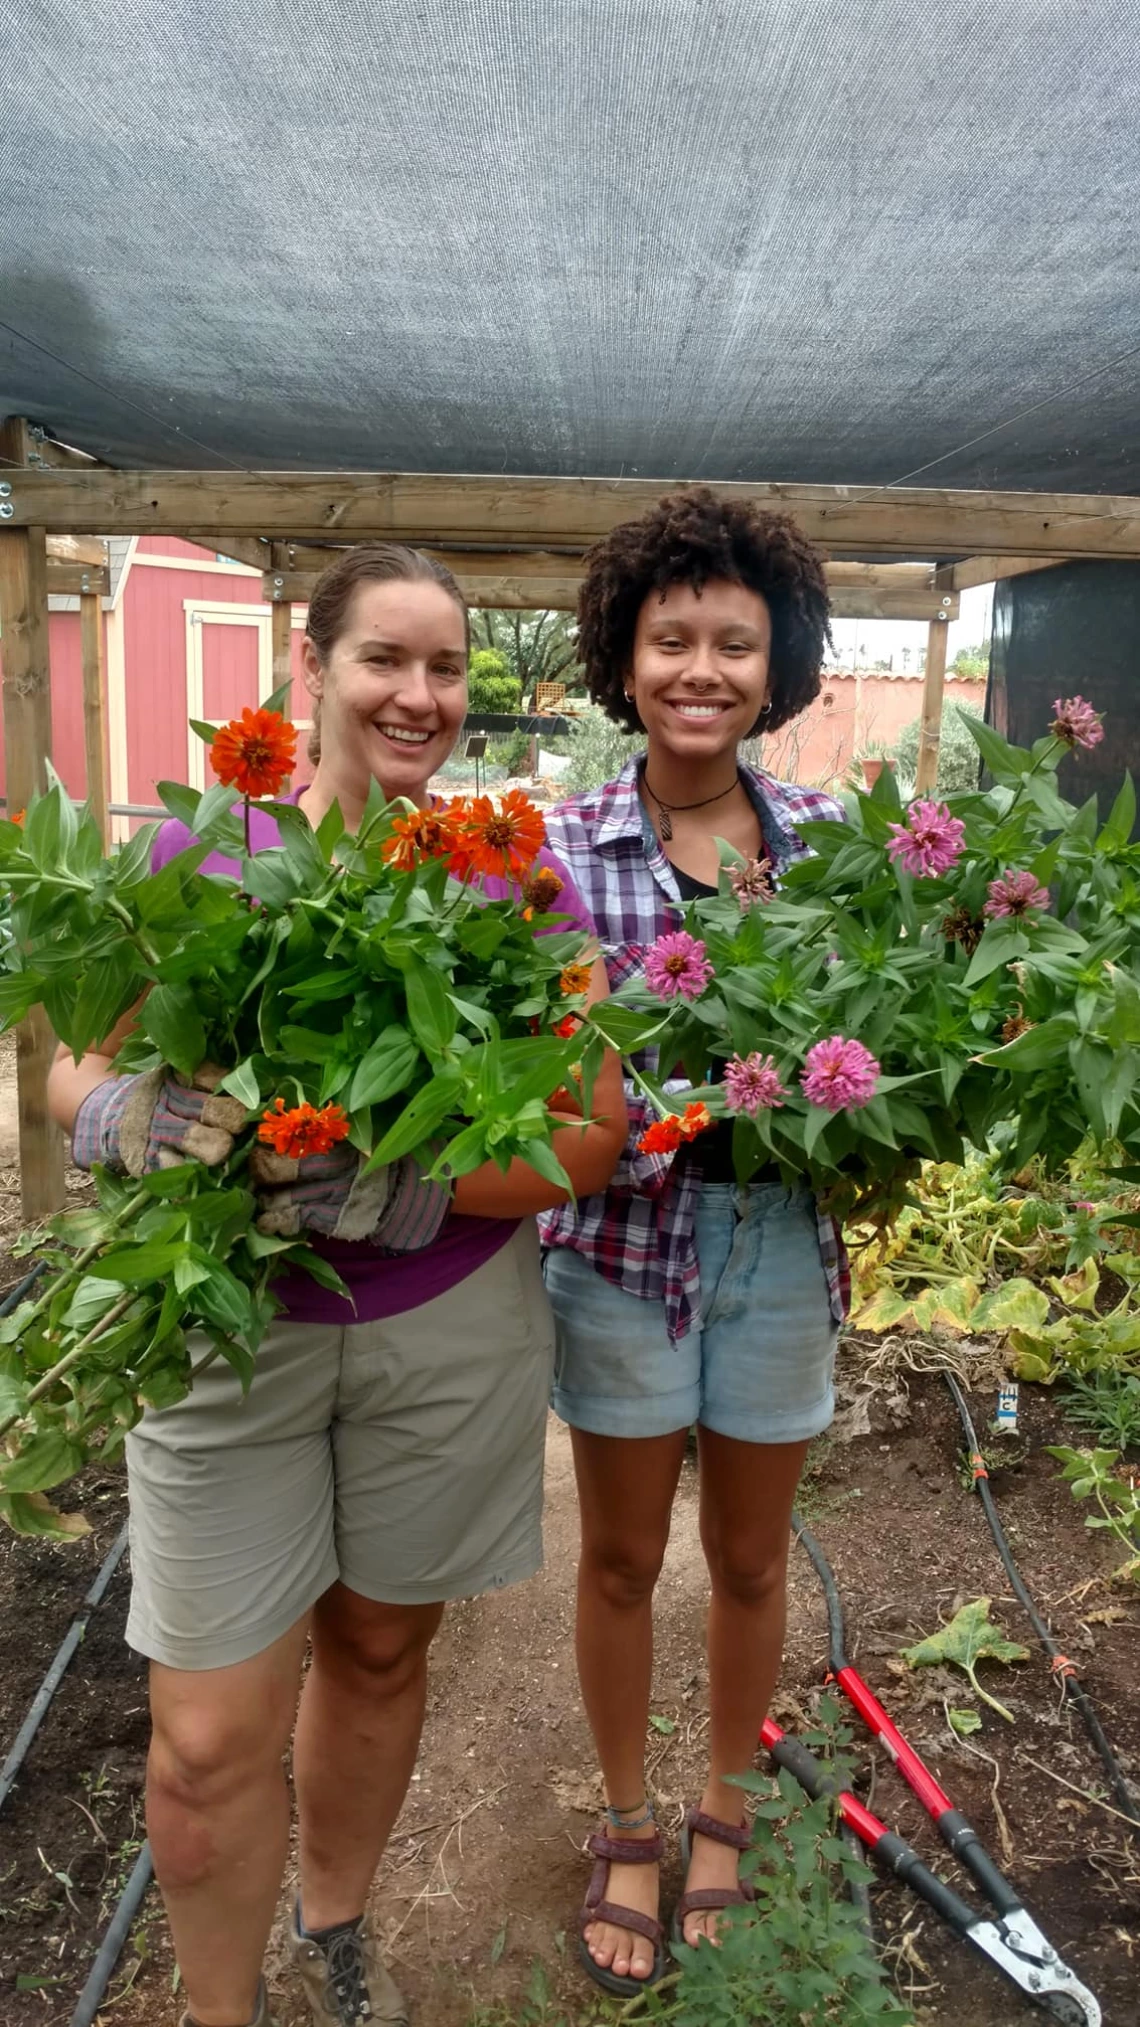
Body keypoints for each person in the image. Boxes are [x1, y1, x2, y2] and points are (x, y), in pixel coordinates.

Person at [47, 545, 628, 2027]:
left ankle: (338, 1919)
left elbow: (592, 1133)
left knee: (378, 1643)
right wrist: (106, 1114)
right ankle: (219, 2009)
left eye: (447, 670)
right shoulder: (201, 857)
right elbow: (73, 1053)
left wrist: (414, 1181)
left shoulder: (510, 880)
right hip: (226, 1325)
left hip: (440, 1322)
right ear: (311, 672)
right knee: (202, 1735)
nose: (420, 694)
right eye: (387, 659)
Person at [540, 489, 849, 1994]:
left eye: (737, 640)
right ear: (626, 653)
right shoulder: (552, 845)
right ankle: (624, 1815)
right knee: (615, 1552)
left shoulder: (840, 846)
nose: (704, 668)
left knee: (746, 1552)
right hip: (616, 1240)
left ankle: (724, 1795)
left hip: (777, 1236)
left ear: (777, 660)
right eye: (674, 638)